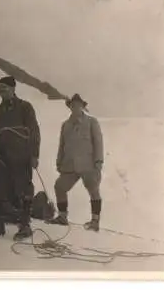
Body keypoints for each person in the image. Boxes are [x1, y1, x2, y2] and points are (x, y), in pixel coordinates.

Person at [0, 76, 41, 241]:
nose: (1, 91)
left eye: (4, 88)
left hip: (21, 155)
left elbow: (34, 132)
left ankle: (25, 225)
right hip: (2, 156)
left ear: (13, 89)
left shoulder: (25, 107)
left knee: (23, 188)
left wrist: (34, 155)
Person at [46, 93, 104, 231]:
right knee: (59, 187)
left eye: (78, 105)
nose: (75, 107)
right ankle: (62, 216)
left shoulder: (92, 122)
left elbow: (98, 142)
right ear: (70, 107)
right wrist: (59, 162)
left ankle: (95, 221)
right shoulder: (65, 125)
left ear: (82, 107)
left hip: (89, 164)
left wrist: (99, 161)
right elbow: (62, 145)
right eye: (73, 105)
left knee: (93, 191)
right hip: (69, 165)